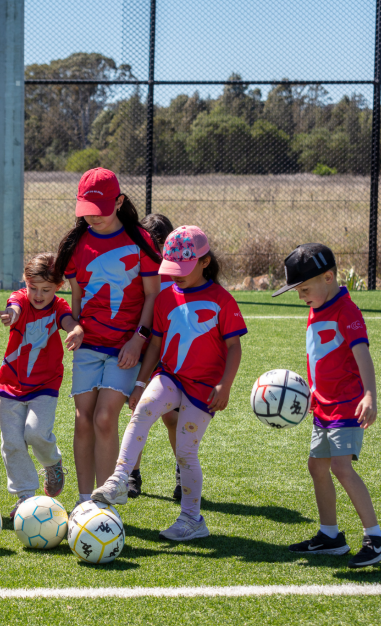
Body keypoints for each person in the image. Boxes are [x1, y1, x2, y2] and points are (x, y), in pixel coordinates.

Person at [93, 225, 246, 541]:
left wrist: (226, 386)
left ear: (205, 262)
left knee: (186, 452)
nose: (177, 275)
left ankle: (192, 519)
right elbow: (155, 345)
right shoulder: (165, 298)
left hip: (204, 388)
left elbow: (235, 347)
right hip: (170, 375)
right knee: (143, 410)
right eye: (172, 269)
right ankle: (120, 479)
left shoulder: (222, 300)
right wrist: (139, 384)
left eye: (184, 269)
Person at [273, 244, 381, 568]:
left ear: (328, 277)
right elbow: (318, 356)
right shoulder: (317, 308)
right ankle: (330, 536)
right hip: (323, 408)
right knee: (317, 467)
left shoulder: (346, 311)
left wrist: (369, 395)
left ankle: (376, 537)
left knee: (342, 467)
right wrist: (313, 390)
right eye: (298, 290)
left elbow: (363, 356)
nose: (301, 296)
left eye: (304, 288)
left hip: (347, 406)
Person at [52, 168, 162, 509]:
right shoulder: (75, 243)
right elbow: (77, 297)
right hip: (88, 347)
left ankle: (106, 502)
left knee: (104, 417)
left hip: (125, 348)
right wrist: (76, 326)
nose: (92, 217)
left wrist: (138, 340)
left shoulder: (141, 242)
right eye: (86, 209)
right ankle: (85, 503)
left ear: (119, 202)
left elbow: (153, 297)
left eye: (99, 210)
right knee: (83, 420)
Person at [0, 252, 84, 519]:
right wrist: (11, 314)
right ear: (25, 282)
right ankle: (26, 497)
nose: (38, 295)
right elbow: (15, 306)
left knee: (35, 433)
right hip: (10, 383)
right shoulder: (20, 299)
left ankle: (52, 463)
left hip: (45, 383)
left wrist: (75, 330)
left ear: (58, 287)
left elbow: (69, 321)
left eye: (46, 290)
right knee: (11, 441)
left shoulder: (58, 307)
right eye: (33, 287)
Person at [128, 212, 178, 500]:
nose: (154, 251)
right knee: (139, 413)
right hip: (144, 352)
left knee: (172, 418)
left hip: (170, 355)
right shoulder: (137, 271)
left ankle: (184, 471)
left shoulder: (176, 276)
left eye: (160, 245)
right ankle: (132, 474)